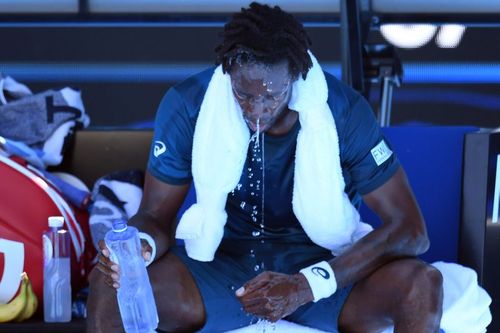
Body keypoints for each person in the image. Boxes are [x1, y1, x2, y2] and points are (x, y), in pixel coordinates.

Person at [87, 3, 444, 332]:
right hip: (223, 269)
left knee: (421, 284)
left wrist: (309, 284)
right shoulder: (188, 104)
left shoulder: (343, 110)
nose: (256, 109)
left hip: (322, 270)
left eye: (272, 95)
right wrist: (141, 248)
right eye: (244, 94)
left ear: (296, 76)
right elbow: (153, 215)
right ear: (227, 72)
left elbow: (411, 231)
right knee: (108, 282)